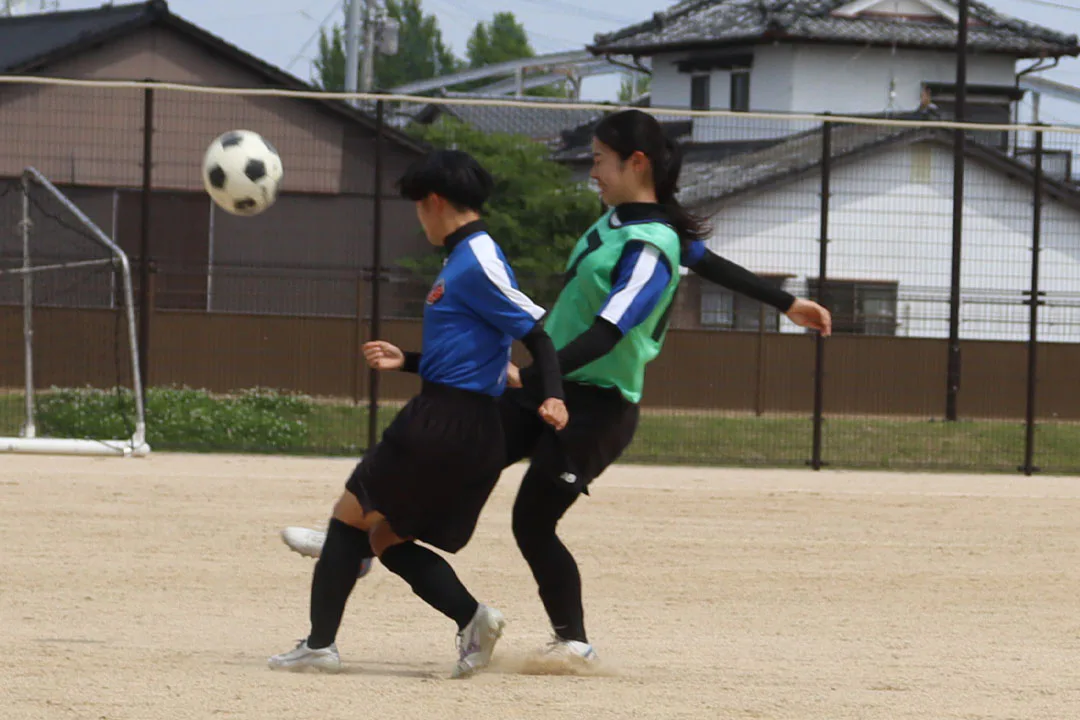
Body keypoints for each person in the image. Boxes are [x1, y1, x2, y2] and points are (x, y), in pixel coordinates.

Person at [280, 110, 832, 668]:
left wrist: (539, 374)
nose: (591, 170)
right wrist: (788, 303)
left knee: (533, 520)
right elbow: (711, 262)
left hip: (596, 406)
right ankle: (355, 539)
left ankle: (574, 641)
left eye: (597, 159)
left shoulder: (650, 243)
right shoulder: (620, 223)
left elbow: (609, 331)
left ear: (634, 162)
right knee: (452, 453)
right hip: (548, 385)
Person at [268, 149, 568, 678]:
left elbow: (536, 332)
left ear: (434, 201)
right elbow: (473, 356)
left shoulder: (476, 258)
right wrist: (406, 360)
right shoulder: (465, 259)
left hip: (445, 422)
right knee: (386, 537)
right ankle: (474, 619)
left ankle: (319, 643)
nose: (418, 218)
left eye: (417, 207)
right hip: (460, 418)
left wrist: (554, 393)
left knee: (350, 514)